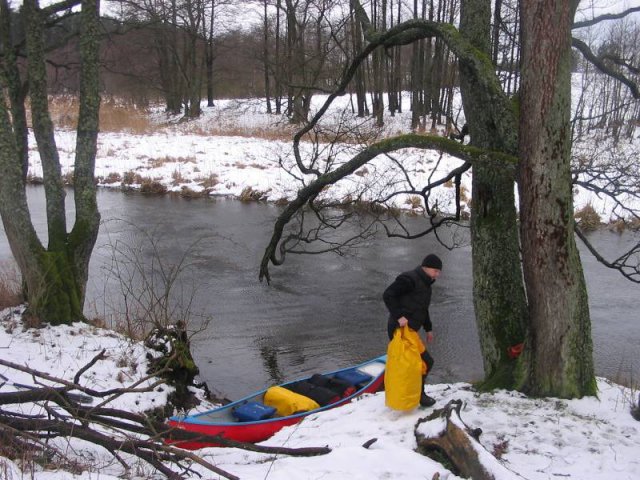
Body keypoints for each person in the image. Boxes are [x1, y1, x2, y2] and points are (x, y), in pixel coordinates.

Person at [383, 253, 442, 407]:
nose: (438, 274)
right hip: (400, 330)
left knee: (422, 363)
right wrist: (399, 316)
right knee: (422, 362)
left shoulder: (426, 285)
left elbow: (423, 308)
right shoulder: (408, 279)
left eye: (439, 272)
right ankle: (415, 396)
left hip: (411, 331)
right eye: (436, 271)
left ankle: (416, 395)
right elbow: (388, 295)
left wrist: (428, 329)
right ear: (426, 268)